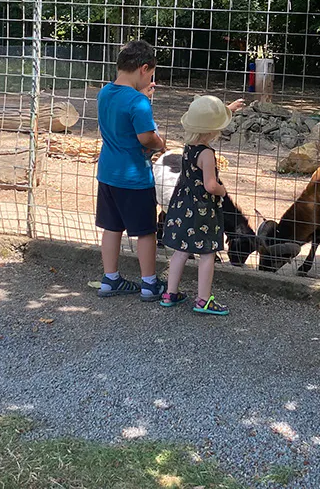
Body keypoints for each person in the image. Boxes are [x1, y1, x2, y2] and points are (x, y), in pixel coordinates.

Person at [160, 95, 245, 315]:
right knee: (207, 254)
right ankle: (203, 300)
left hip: (182, 207)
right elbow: (209, 185)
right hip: (202, 211)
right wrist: (222, 190)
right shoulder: (207, 153)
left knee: (180, 251)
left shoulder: (188, 147)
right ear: (213, 132)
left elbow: (206, 116)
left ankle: (170, 293)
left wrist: (228, 109)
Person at [95, 39, 167, 301]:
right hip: (134, 177)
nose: (150, 80)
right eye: (150, 74)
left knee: (112, 227)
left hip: (108, 173)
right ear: (143, 68)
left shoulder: (104, 92)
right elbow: (145, 138)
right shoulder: (138, 101)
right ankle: (149, 283)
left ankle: (110, 278)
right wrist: (161, 143)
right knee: (146, 231)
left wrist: (143, 94)